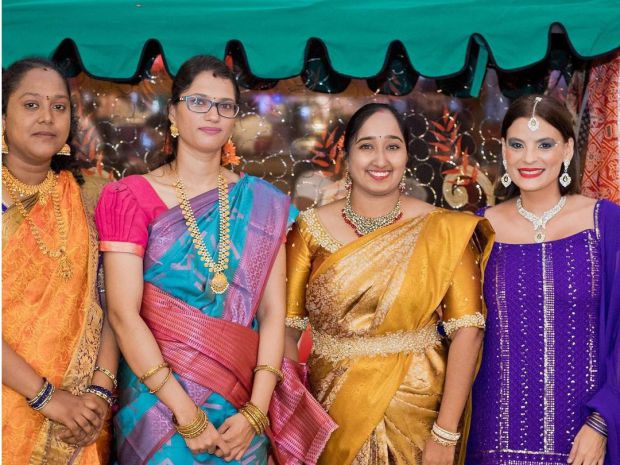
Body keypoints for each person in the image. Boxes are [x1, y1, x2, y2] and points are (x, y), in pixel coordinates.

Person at [95, 54, 335, 465]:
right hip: (157, 410)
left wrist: (256, 413)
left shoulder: (264, 203)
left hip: (241, 410)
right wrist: (186, 414)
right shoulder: (129, 197)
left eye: (225, 105)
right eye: (198, 102)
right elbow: (122, 314)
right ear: (173, 112)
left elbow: (274, 313)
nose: (213, 114)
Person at [285, 103, 493, 465]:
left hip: (419, 416)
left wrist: (445, 434)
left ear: (406, 156)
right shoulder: (308, 230)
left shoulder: (444, 229)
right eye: (366, 146)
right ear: (346, 157)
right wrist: (297, 416)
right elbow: (285, 330)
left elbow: (469, 331)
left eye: (392, 146)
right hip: (330, 414)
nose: (380, 159)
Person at [467, 94, 620, 465]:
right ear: (503, 151)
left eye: (545, 145)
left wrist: (602, 422)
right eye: (517, 145)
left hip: (584, 437)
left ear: (567, 149)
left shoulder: (607, 223)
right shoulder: (476, 228)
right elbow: (459, 330)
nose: (529, 158)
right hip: (494, 435)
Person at [2, 58, 118, 464]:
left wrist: (99, 394)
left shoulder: (94, 197)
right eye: (31, 105)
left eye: (59, 106)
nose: (47, 118)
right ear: (3, 116)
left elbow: (115, 305)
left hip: (80, 422)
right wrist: (49, 398)